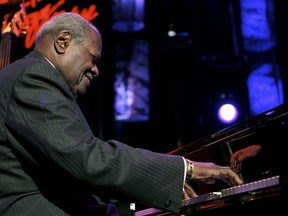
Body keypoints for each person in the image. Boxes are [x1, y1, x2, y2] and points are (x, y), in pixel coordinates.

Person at [0, 12, 243, 216]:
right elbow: (87, 159)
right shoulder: (34, 76)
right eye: (93, 59)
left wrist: (145, 198)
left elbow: (73, 176)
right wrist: (185, 169)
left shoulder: (35, 78)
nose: (96, 70)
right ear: (63, 41)